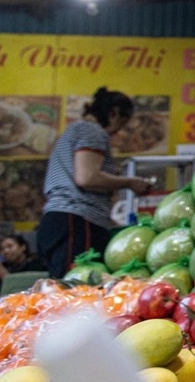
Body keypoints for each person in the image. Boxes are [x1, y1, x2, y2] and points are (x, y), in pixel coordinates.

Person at [35, 87, 150, 278]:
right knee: (78, 287)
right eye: (122, 123)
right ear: (114, 114)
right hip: (76, 221)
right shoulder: (92, 131)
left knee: (65, 287)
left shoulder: (74, 131)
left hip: (61, 220)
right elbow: (86, 178)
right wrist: (130, 182)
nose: (118, 131)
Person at [0, 235, 47, 308]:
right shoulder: (2, 266)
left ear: (22, 247)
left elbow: (18, 290)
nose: (6, 251)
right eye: (2, 249)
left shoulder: (36, 266)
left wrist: (0, 270)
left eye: (10, 247)